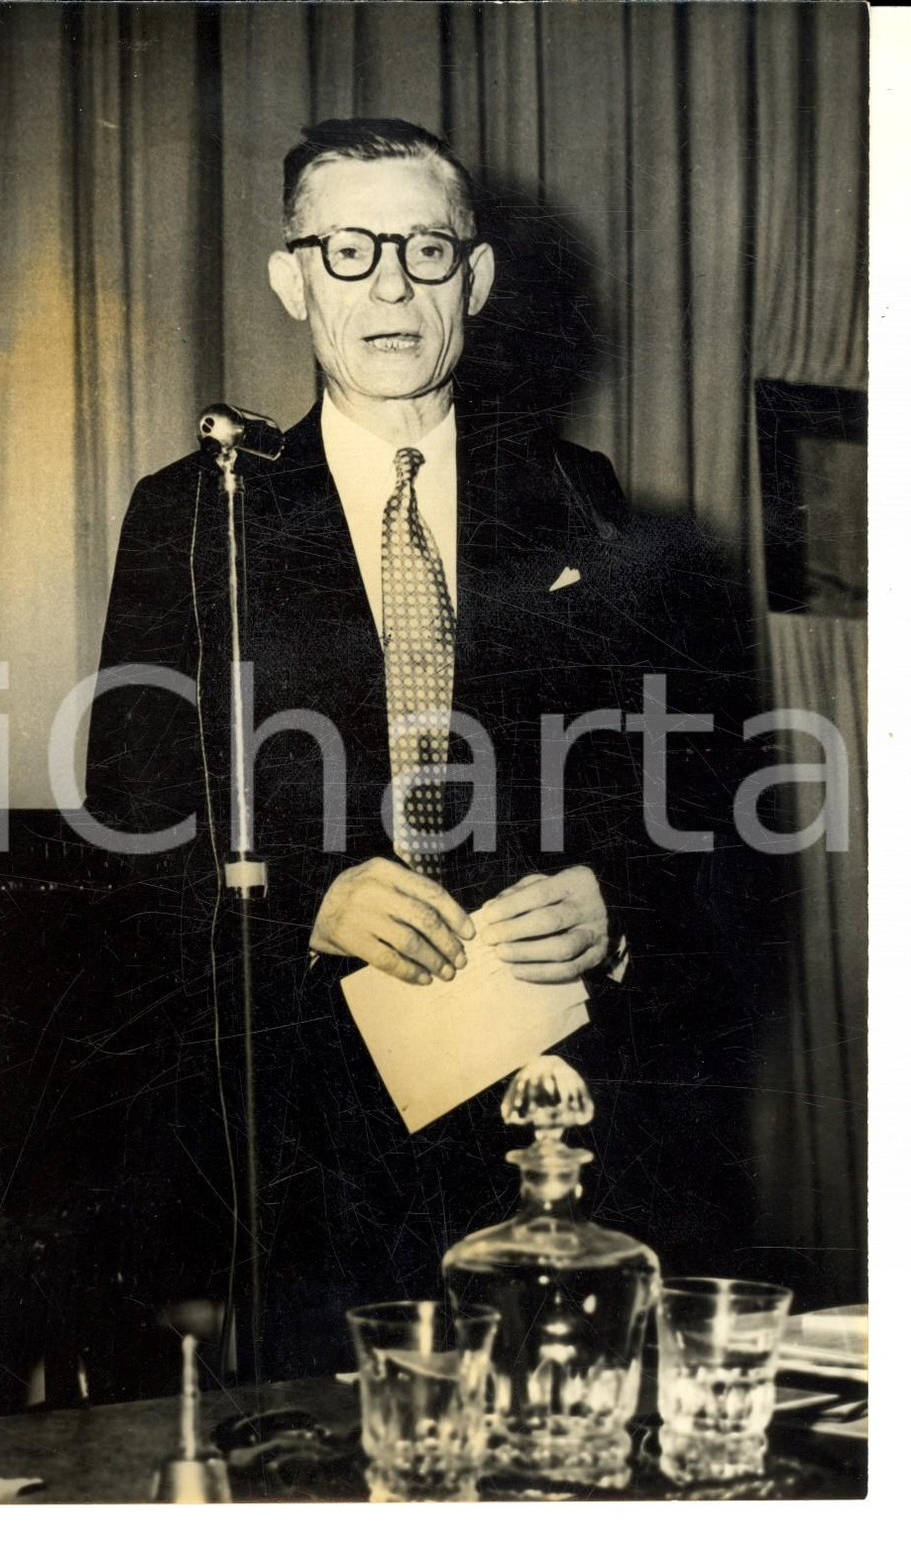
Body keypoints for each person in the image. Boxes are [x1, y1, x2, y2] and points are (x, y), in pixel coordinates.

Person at [84, 120, 767, 1385]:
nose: (390, 285)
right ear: (292, 280)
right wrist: (311, 895)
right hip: (305, 1122)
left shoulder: (583, 499)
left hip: (544, 1087)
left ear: (479, 278)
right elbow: (132, 790)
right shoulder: (199, 511)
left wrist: (612, 891)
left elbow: (684, 774)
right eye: (348, 250)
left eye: (424, 249)